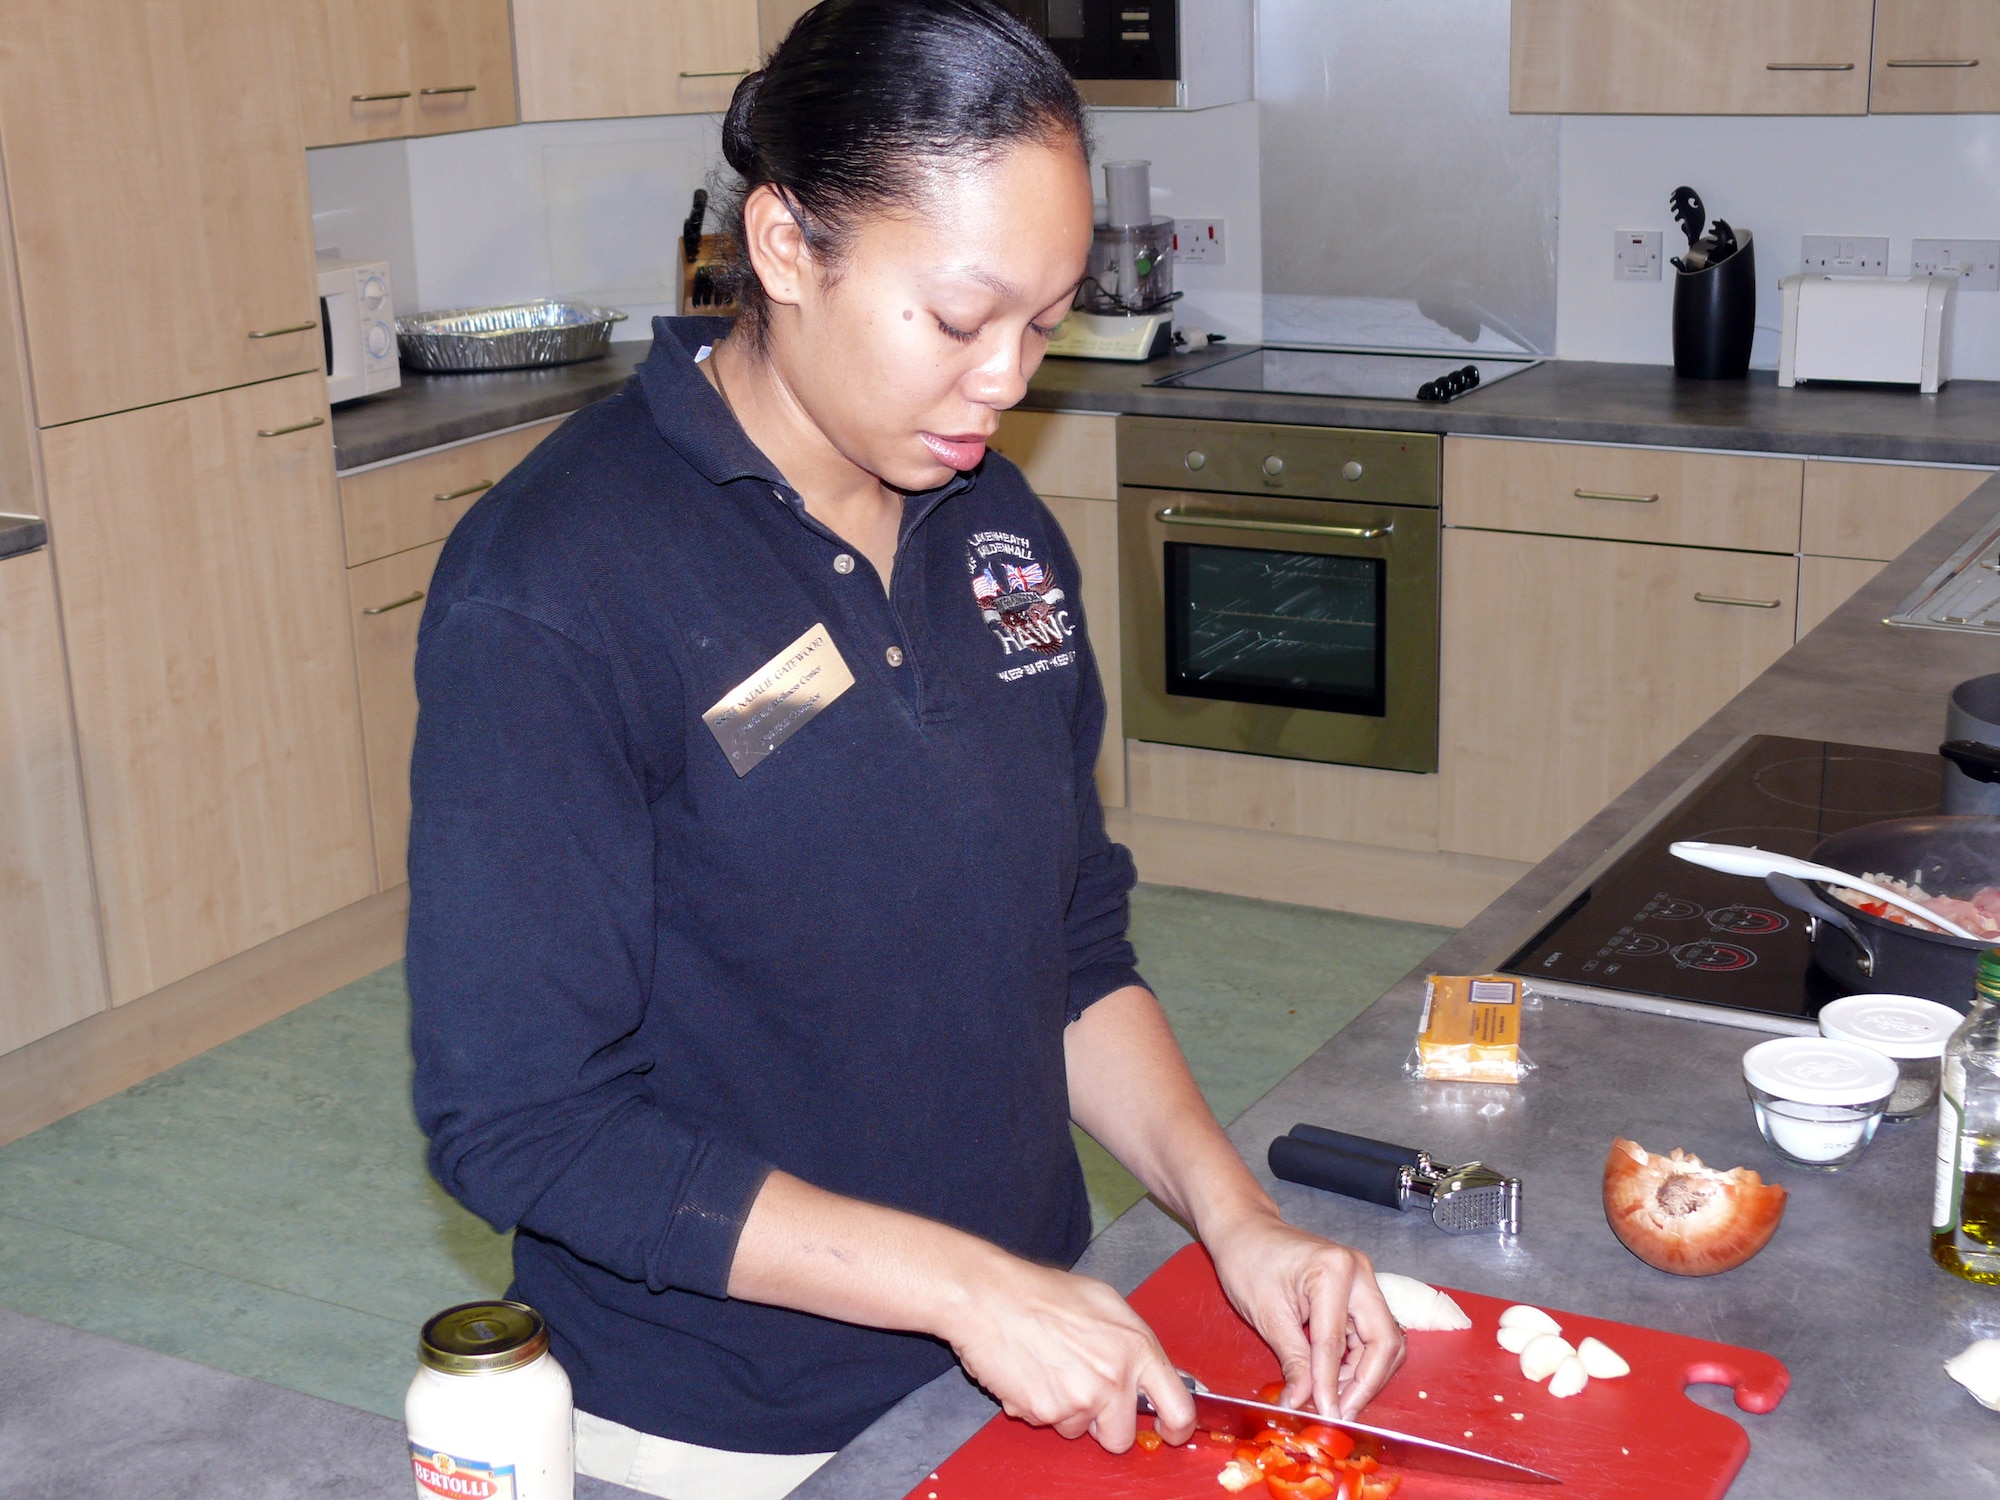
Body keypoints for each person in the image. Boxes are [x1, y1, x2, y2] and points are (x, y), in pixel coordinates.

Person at [406, 4, 1403, 1498]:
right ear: (790, 247)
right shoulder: (555, 586)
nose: (1006, 380)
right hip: (720, 1433)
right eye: (957, 319)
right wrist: (960, 1287)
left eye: (1046, 321)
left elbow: (1069, 952)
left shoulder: (996, 529)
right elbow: (524, 1124)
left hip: (1037, 1368)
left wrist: (1228, 1213)